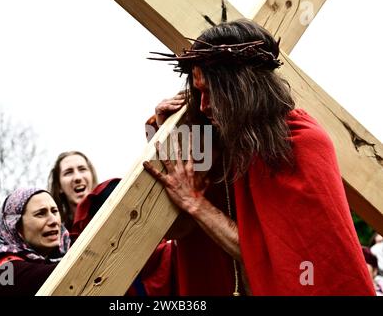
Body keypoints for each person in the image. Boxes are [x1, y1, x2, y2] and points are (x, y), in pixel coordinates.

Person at [143, 19, 375, 295]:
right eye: (198, 92)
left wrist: (197, 204)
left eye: (211, 92)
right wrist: (167, 131)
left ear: (240, 88)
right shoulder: (220, 142)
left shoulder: (299, 141)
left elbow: (284, 260)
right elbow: (180, 227)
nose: (203, 105)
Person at [48, 151, 98, 230]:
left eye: (82, 169)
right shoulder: (59, 234)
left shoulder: (111, 210)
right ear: (59, 186)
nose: (77, 177)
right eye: (68, 172)